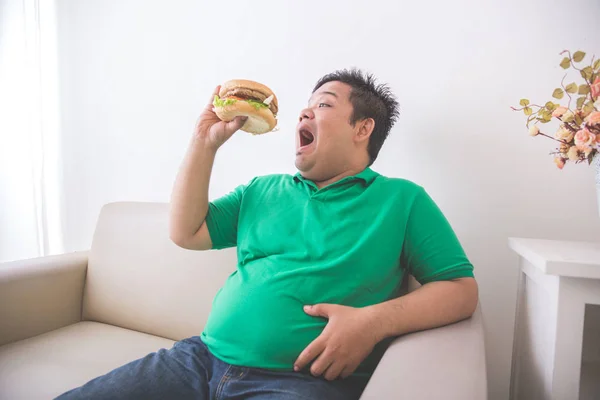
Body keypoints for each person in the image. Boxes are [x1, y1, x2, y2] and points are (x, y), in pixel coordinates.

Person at [56, 69, 478, 400]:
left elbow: (460, 289)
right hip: (198, 358)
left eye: (324, 105)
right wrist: (204, 143)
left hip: (302, 383)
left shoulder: (402, 200)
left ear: (362, 129)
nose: (304, 113)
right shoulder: (261, 190)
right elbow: (186, 231)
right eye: (305, 106)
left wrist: (371, 323)